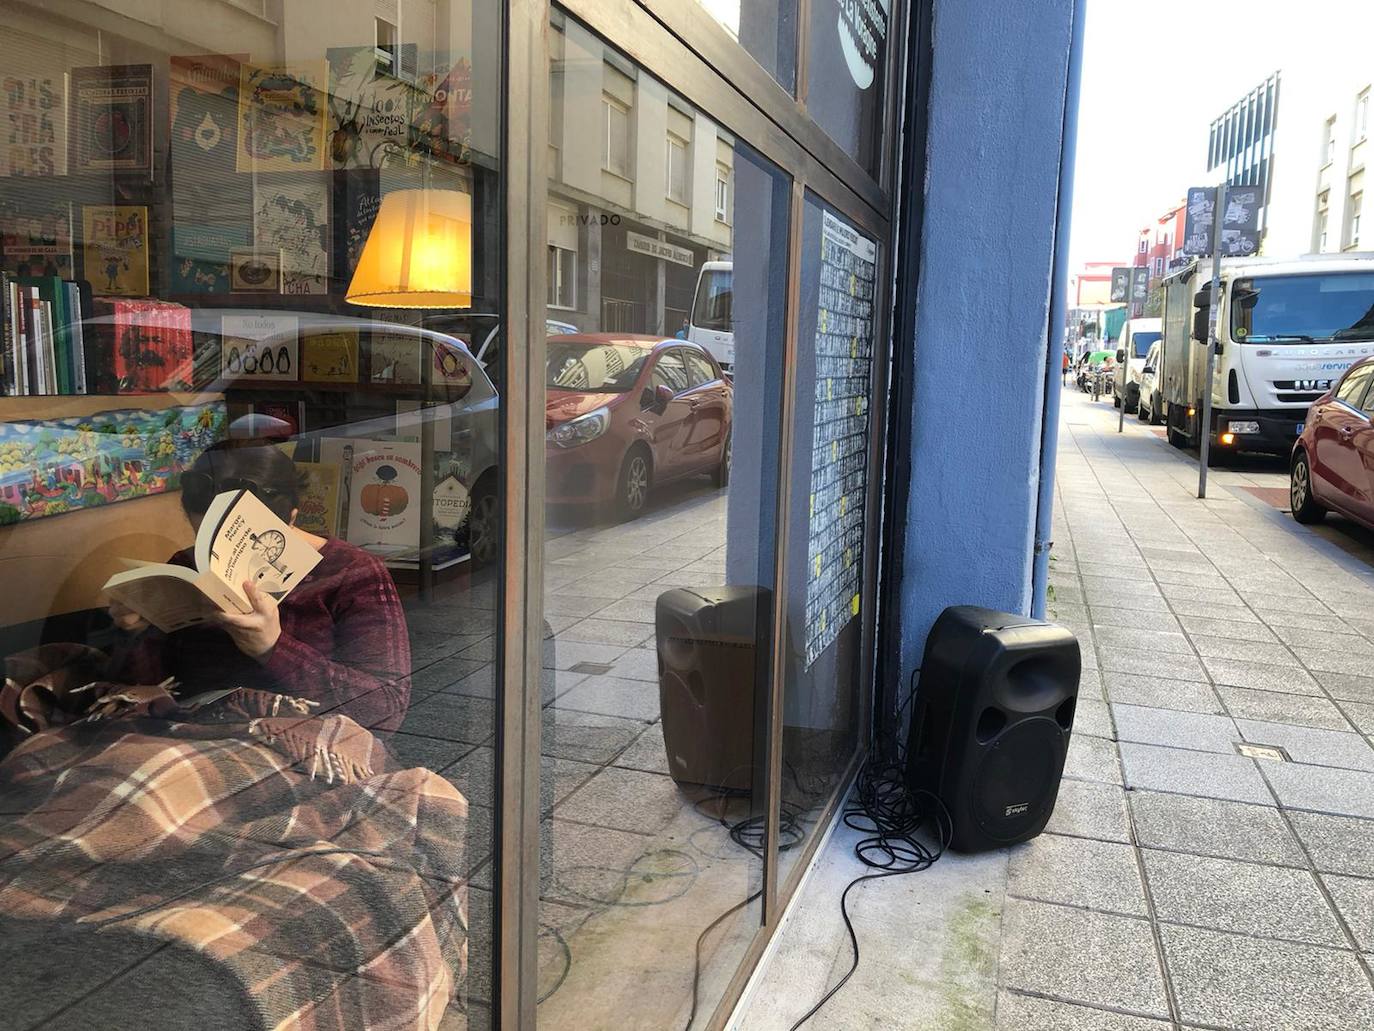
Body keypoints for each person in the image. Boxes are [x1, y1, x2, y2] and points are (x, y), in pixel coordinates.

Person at [109, 443, 412, 734]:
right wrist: (136, 633)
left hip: (297, 743)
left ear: (292, 518)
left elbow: (386, 709)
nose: (219, 558)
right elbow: (149, 692)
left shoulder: (352, 572)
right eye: (208, 542)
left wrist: (273, 648)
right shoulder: (187, 566)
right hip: (197, 732)